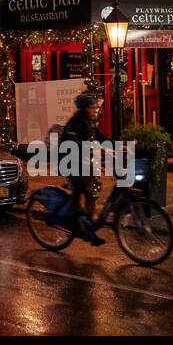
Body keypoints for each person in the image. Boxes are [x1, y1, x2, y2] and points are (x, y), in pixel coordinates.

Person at [62, 92, 111, 244]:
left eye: (95, 108)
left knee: (91, 193)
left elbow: (100, 137)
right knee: (80, 186)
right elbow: (71, 142)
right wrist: (87, 148)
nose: (95, 111)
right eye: (91, 108)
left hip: (81, 161)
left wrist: (119, 145)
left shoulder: (89, 122)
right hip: (68, 161)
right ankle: (74, 211)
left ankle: (90, 230)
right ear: (83, 109)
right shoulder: (74, 122)